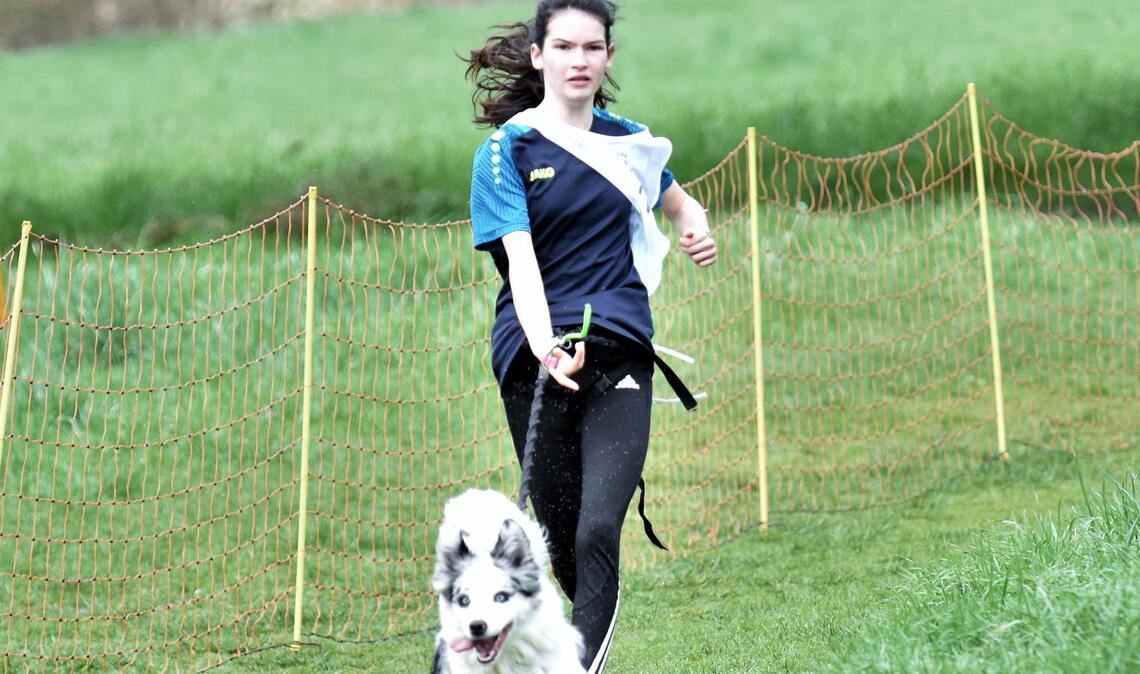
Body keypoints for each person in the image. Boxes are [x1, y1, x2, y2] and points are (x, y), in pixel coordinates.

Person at [464, 1, 716, 671]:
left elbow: (675, 195)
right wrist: (545, 345)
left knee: (599, 525)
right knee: (559, 537)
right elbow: (519, 259)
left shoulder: (627, 140)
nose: (580, 60)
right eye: (566, 46)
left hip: (619, 348)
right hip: (533, 357)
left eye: (593, 48)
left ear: (607, 58)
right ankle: (581, 647)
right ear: (539, 56)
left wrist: (694, 222)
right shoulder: (503, 152)